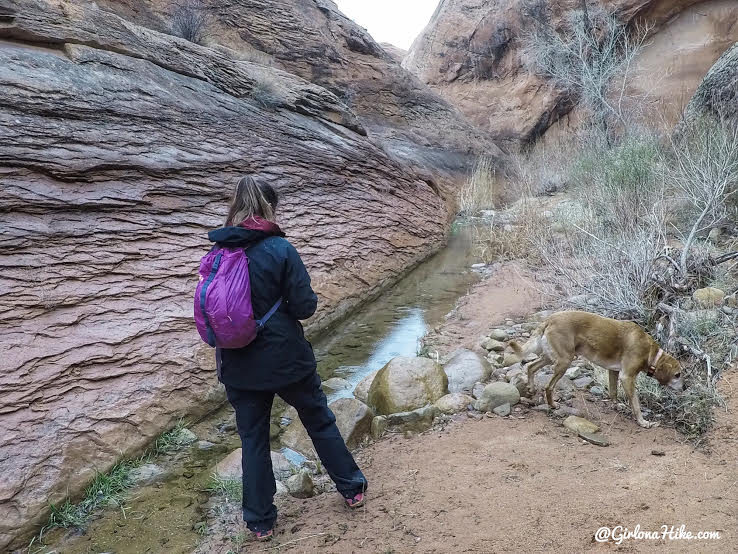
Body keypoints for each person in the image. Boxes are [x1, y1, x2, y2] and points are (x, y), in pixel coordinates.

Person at [207, 176, 368, 542]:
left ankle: (261, 522)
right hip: (287, 360)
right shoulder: (280, 249)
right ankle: (351, 489)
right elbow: (305, 307)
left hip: (238, 366)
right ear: (269, 208)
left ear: (235, 206)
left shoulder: (217, 253)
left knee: (254, 441)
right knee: (319, 421)